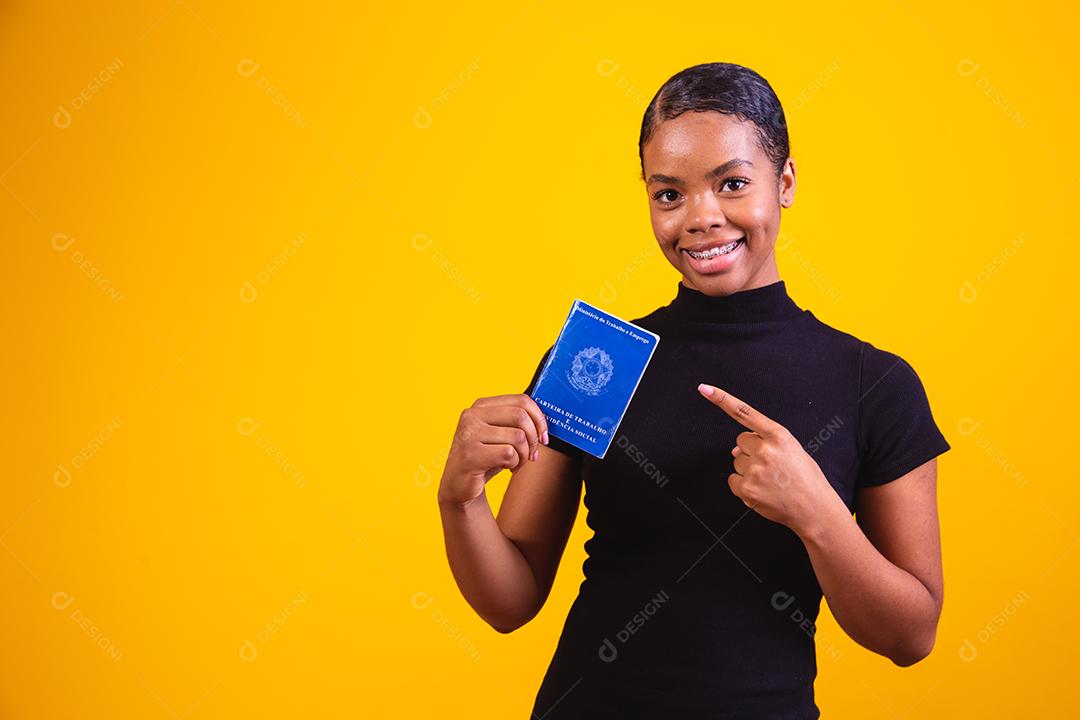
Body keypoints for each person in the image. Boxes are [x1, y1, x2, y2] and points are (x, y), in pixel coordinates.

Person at [437, 62, 950, 718]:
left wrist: (817, 512)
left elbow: (911, 636)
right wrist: (460, 498)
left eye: (732, 183)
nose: (702, 217)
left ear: (785, 182)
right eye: (669, 194)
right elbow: (510, 602)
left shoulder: (872, 384)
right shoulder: (598, 359)